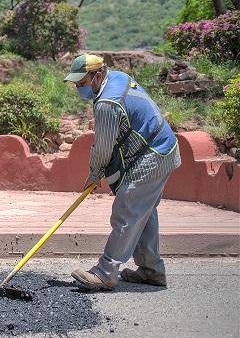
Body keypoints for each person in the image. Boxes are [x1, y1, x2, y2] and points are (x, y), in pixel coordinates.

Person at [63, 54, 181, 290]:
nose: (78, 88)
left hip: (153, 155)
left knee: (127, 210)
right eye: (76, 84)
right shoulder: (118, 77)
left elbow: (104, 146)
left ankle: (105, 273)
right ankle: (151, 270)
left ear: (97, 76)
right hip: (162, 148)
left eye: (82, 83)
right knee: (142, 212)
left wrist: (95, 174)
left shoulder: (108, 102)